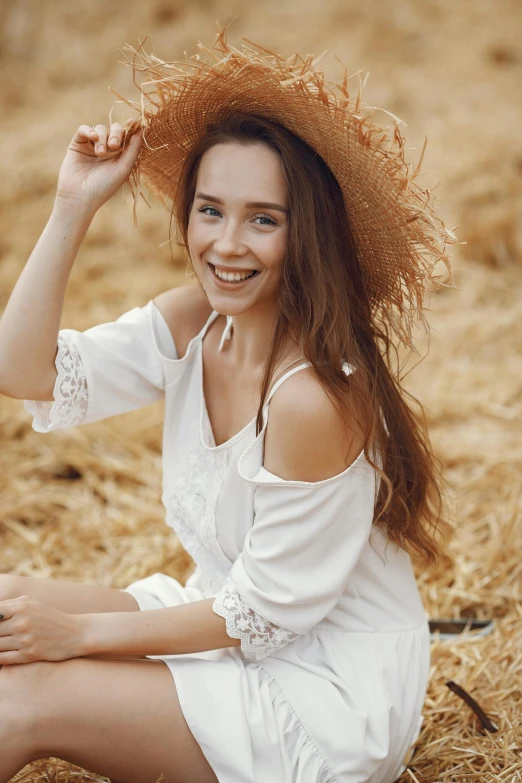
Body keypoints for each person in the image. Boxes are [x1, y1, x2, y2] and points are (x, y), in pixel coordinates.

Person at [0, 29, 454, 783]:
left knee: (22, 696)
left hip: (320, 696)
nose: (227, 244)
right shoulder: (196, 323)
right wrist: (72, 205)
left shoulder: (312, 398)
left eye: (263, 219)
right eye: (209, 210)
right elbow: (23, 370)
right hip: (222, 619)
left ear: (304, 233)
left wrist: (75, 634)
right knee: (7, 608)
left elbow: (263, 618)